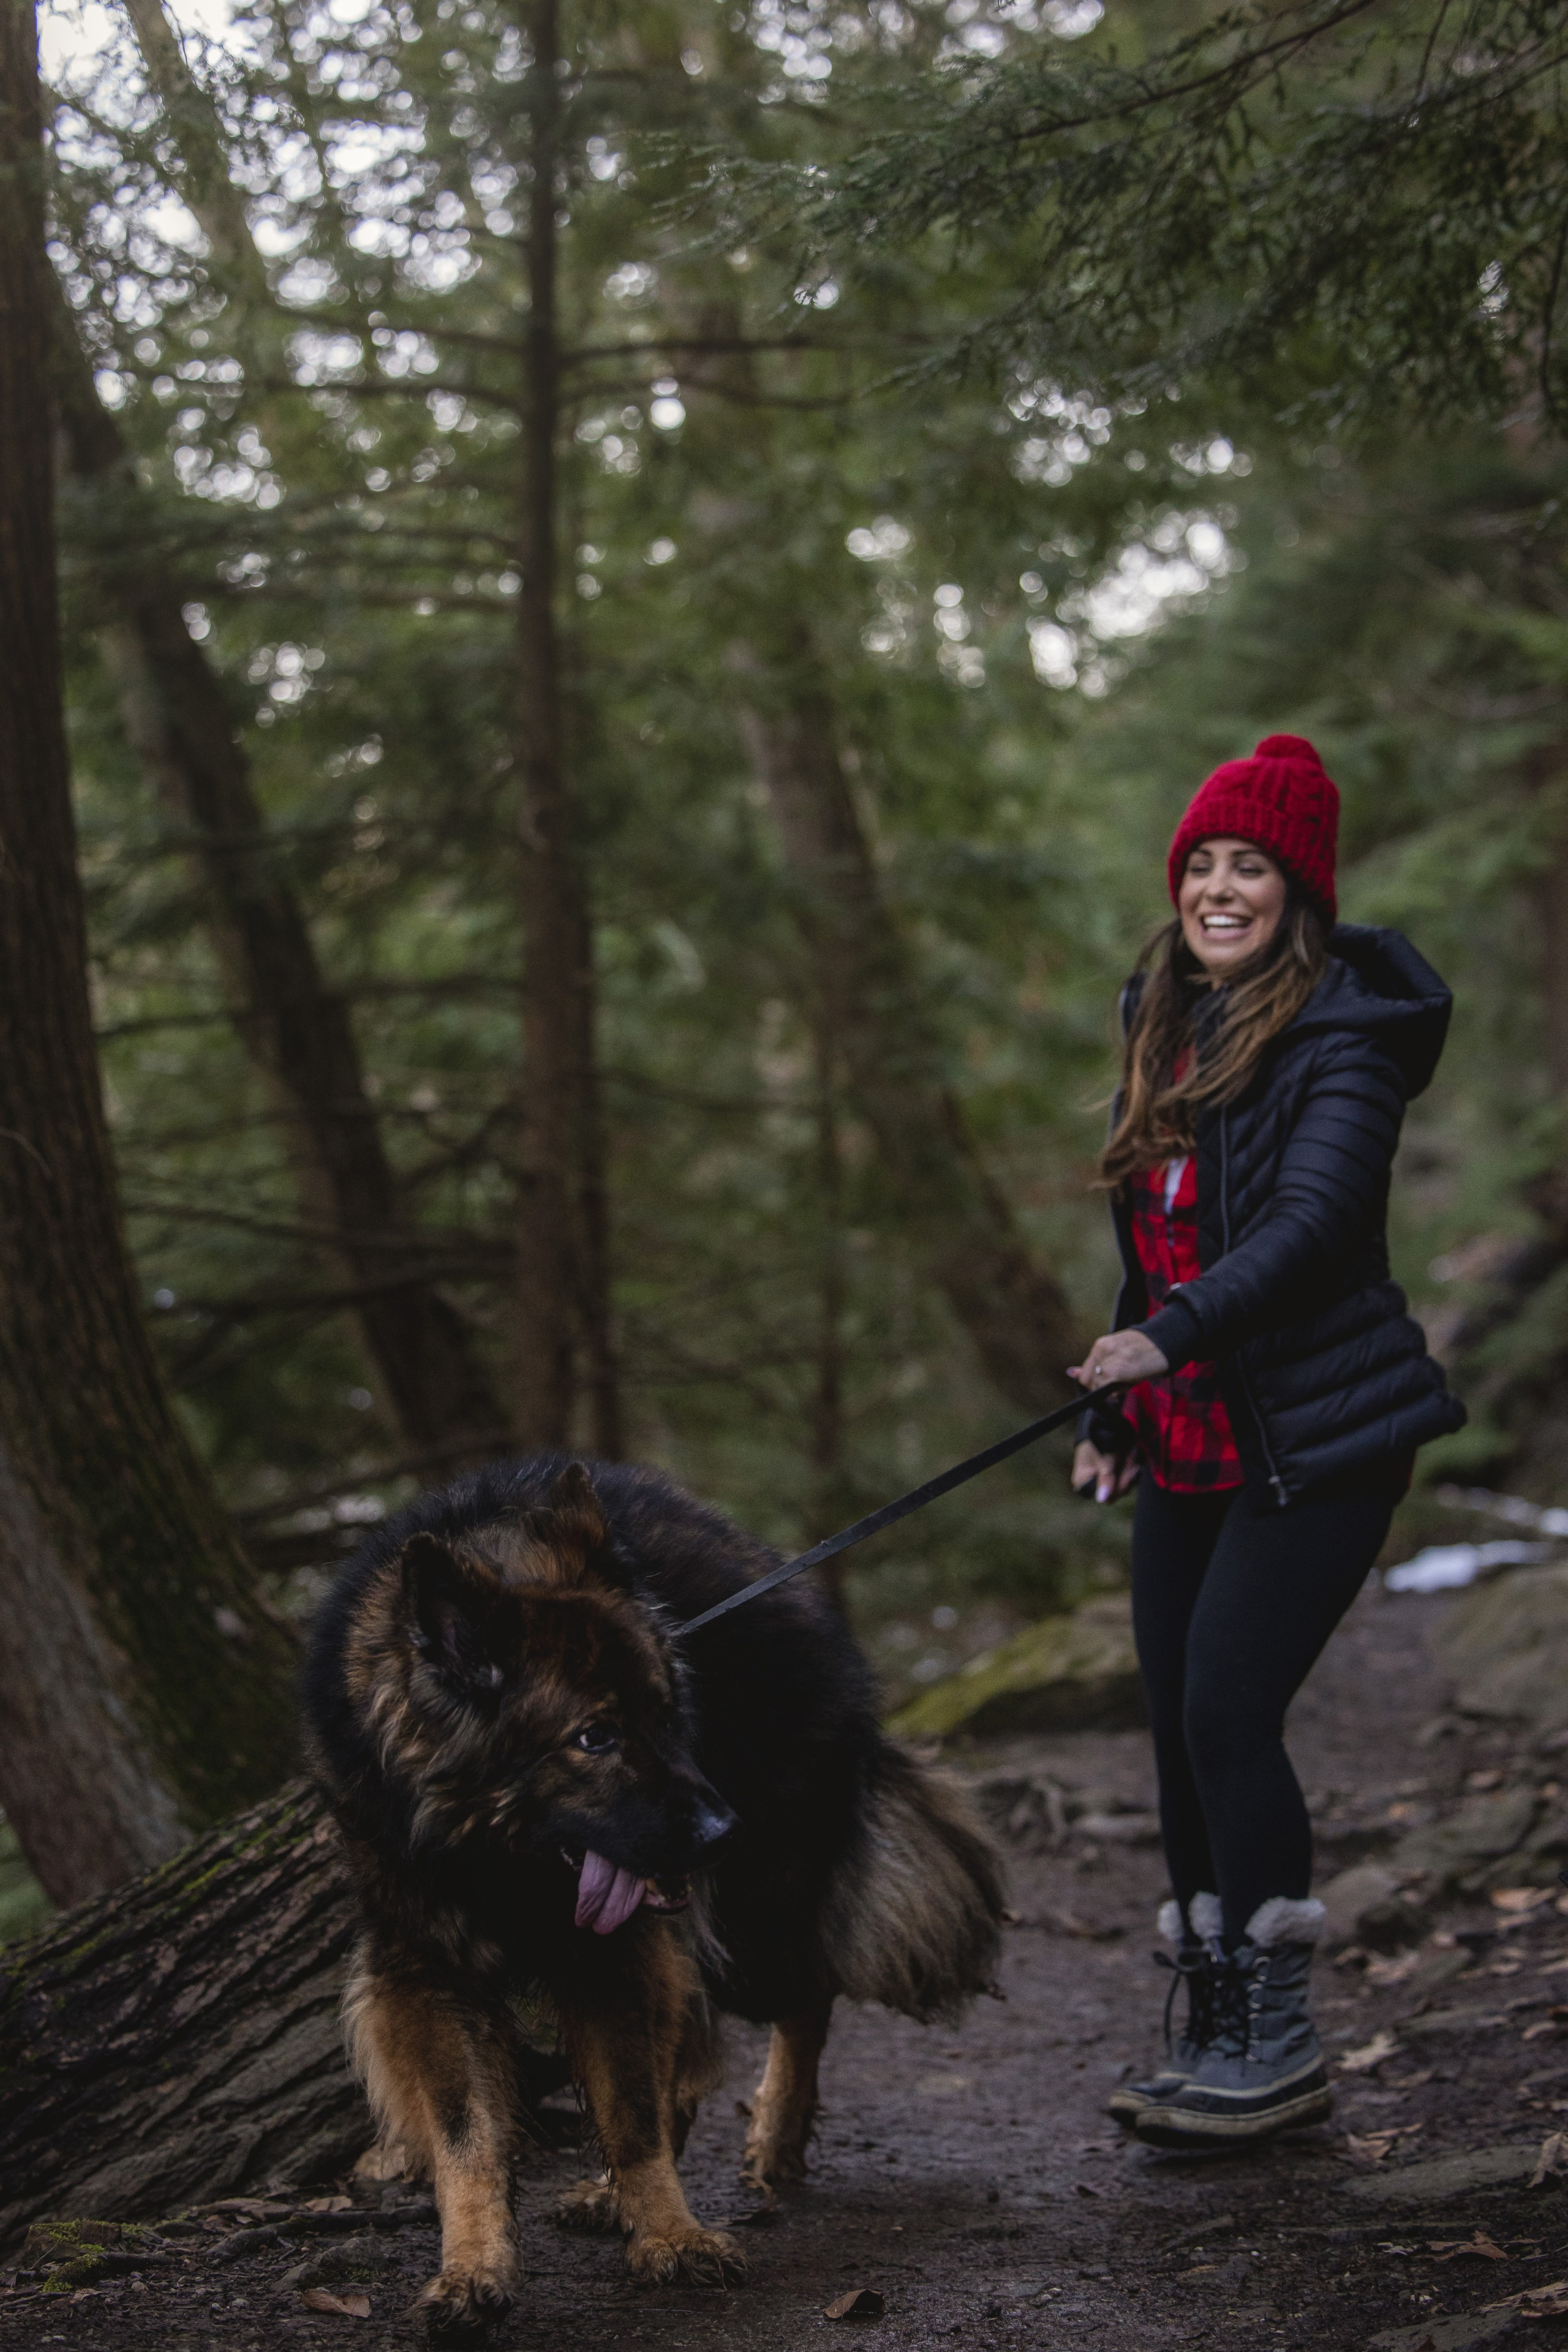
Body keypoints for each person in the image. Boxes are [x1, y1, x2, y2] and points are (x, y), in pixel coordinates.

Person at [1069, 733, 1465, 2150]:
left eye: (1250, 867)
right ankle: (1220, 2020)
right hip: (1189, 1426)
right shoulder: (1163, 1019)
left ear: (1299, 894)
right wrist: (1124, 1392)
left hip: (1322, 1432)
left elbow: (1300, 1237)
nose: (1218, 888)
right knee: (1177, 1732)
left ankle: (1282, 2043)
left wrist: (1166, 1340)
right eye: (1200, 864)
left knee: (1230, 1711)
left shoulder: (1341, 1040)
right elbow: (1161, 1236)